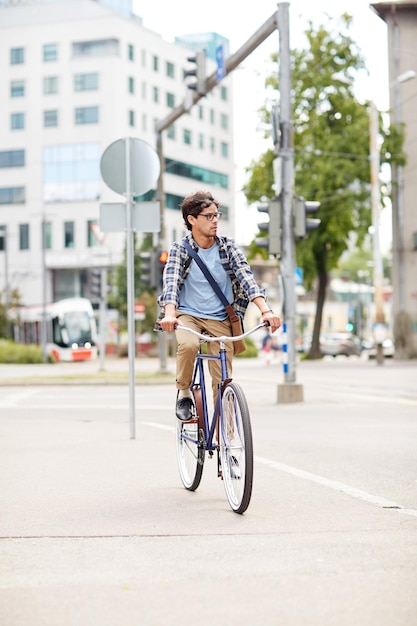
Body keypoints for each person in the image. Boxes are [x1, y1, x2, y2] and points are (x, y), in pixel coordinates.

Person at [157, 190, 281, 421]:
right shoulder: (180, 250)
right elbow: (171, 283)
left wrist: (266, 310)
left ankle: (228, 440)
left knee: (223, 382)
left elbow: (247, 279)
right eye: (209, 216)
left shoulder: (228, 248)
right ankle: (184, 391)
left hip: (220, 317)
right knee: (189, 345)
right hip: (187, 315)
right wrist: (170, 315)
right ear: (191, 219)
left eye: (217, 215)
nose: (215, 221)